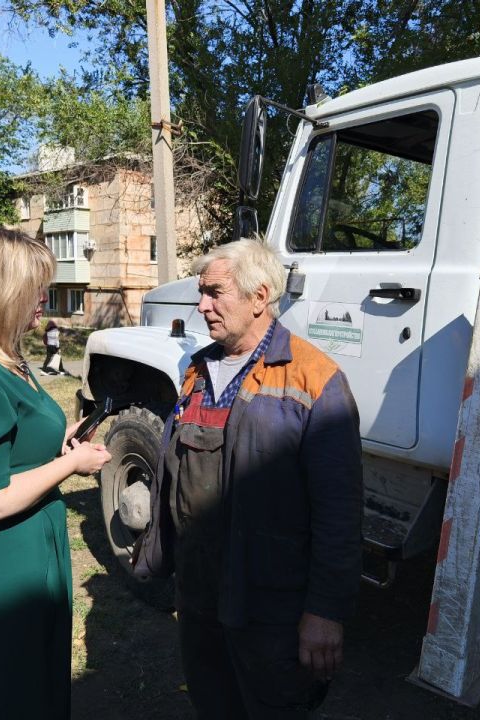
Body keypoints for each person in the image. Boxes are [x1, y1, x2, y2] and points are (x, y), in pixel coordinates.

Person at [136, 238, 364, 719]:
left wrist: (324, 611)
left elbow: (339, 513)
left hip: (270, 604)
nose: (201, 306)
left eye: (215, 292)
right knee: (212, 702)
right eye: (201, 293)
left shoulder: (314, 380)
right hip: (200, 595)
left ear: (260, 296)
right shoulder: (197, 372)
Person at [0, 226, 111, 719]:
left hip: (33, 550)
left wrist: (60, 441)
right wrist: (70, 464)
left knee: (40, 695)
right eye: (36, 287)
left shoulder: (10, 359)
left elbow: (16, 449)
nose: (45, 298)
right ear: (2, 292)